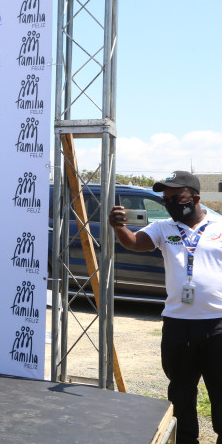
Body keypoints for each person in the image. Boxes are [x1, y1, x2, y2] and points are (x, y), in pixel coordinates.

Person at [109, 171, 222, 444]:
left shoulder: (219, 225)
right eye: (166, 199)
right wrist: (119, 228)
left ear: (195, 198)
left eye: (176, 198)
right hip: (177, 325)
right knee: (181, 392)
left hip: (217, 324)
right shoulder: (163, 227)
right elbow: (135, 242)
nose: (170, 204)